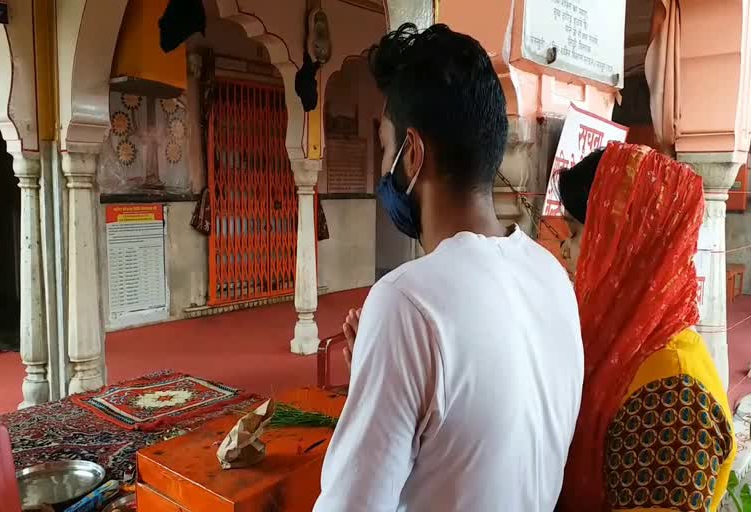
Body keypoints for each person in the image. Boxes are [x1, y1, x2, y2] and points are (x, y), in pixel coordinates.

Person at [313, 23, 584, 511]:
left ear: (412, 154)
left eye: (384, 146)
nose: (384, 170)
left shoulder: (407, 302)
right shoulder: (551, 276)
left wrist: (387, 364)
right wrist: (384, 380)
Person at [556, 142, 736, 511]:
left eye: (576, 233)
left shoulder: (672, 395)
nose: (565, 250)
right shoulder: (629, 346)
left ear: (624, 244)